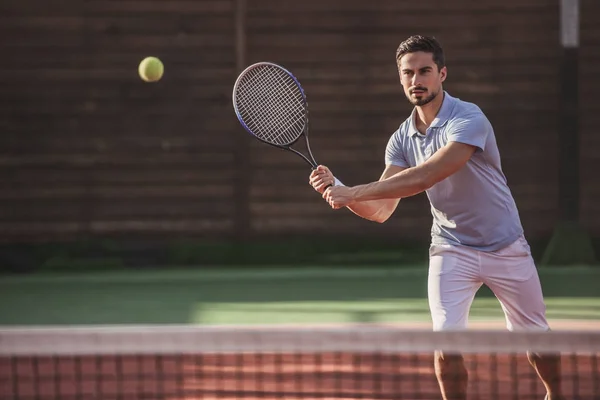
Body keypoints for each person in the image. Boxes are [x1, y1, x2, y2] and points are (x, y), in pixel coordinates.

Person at [308, 35, 563, 400]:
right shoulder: (400, 139)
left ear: (442, 73)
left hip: (505, 245)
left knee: (535, 336)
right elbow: (381, 210)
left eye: (425, 71)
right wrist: (339, 188)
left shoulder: (469, 117)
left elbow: (430, 174)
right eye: (408, 73)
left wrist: (354, 191)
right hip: (451, 250)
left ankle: (556, 394)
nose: (417, 80)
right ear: (400, 79)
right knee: (446, 341)